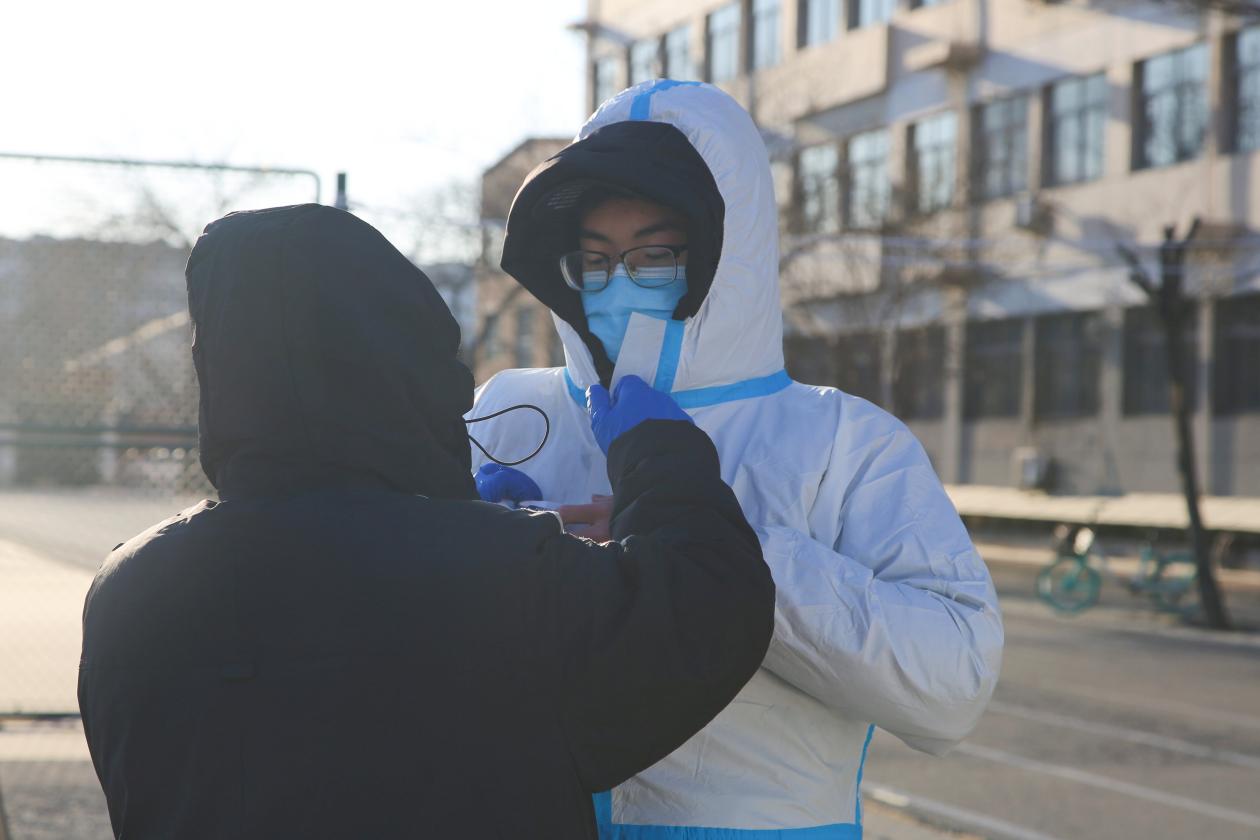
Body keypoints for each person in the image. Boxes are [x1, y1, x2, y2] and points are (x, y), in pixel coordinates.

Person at [77, 204, 775, 839]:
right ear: (407, 358)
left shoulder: (126, 592)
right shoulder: (504, 582)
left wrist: (460, 523)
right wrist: (658, 453)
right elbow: (707, 603)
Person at [470, 81, 1005, 838]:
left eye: (654, 255)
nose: (617, 283)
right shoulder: (511, 415)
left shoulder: (841, 440)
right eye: (594, 260)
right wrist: (463, 540)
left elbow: (953, 687)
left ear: (724, 251)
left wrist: (711, 544)